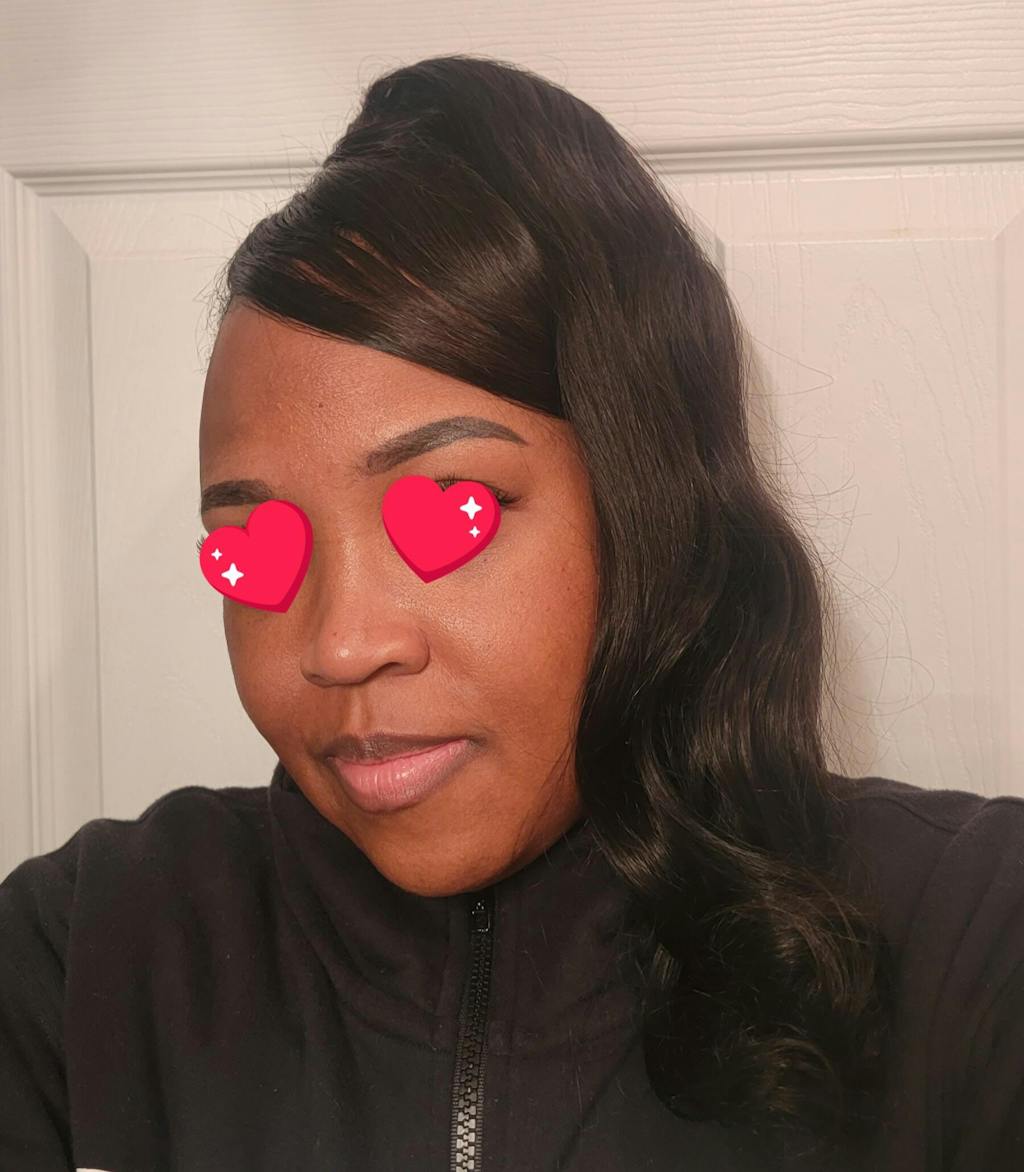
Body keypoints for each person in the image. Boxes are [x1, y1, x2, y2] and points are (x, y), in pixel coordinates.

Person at [2, 53, 1023, 1172]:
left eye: (452, 506)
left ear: (644, 508)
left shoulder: (971, 937)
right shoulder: (73, 957)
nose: (339, 644)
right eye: (255, 544)